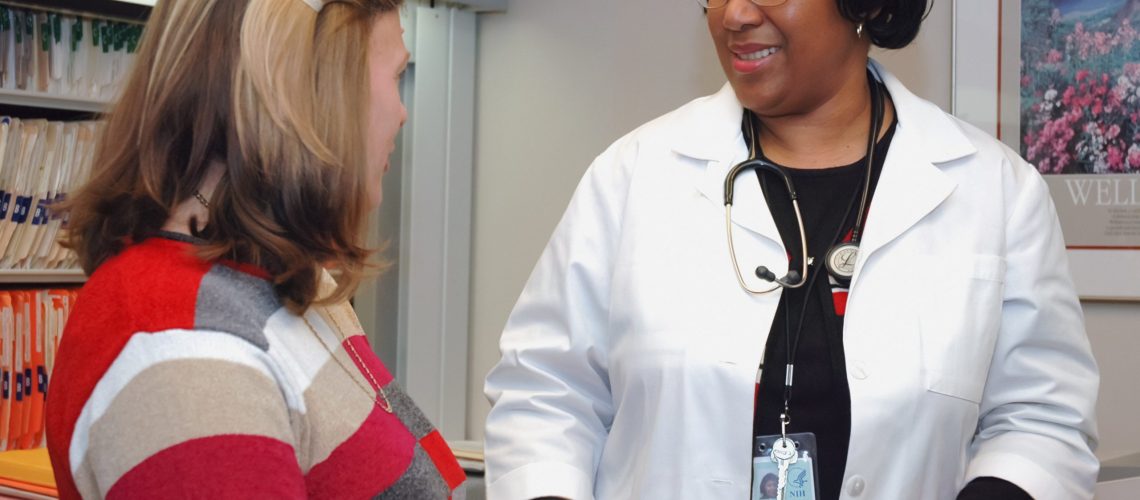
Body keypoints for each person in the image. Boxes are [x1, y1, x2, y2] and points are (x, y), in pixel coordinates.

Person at [483, 0, 1099, 499]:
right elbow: (545, 395)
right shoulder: (634, 176)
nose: (734, 14)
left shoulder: (994, 191)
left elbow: (1042, 422)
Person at [44, 0, 466, 498]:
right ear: (310, 92)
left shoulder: (284, 278)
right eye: (395, 75)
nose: (401, 112)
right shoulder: (185, 353)